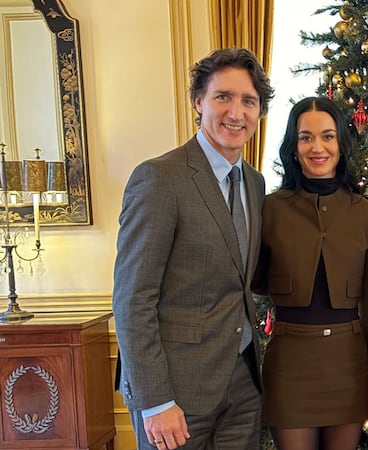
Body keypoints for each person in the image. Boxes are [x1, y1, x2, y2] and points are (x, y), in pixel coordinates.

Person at [113, 47, 273, 450]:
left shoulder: (255, 184)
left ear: (259, 112)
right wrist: (155, 401)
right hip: (175, 393)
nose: (236, 112)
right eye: (224, 97)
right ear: (199, 101)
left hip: (242, 385)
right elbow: (133, 298)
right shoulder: (159, 178)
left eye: (248, 101)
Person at [252, 96, 368, 450]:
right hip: (290, 363)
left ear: (341, 143)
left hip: (349, 363)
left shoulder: (367, 214)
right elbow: (252, 280)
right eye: (306, 137)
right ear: (294, 147)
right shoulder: (270, 209)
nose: (317, 147)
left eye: (327, 136)